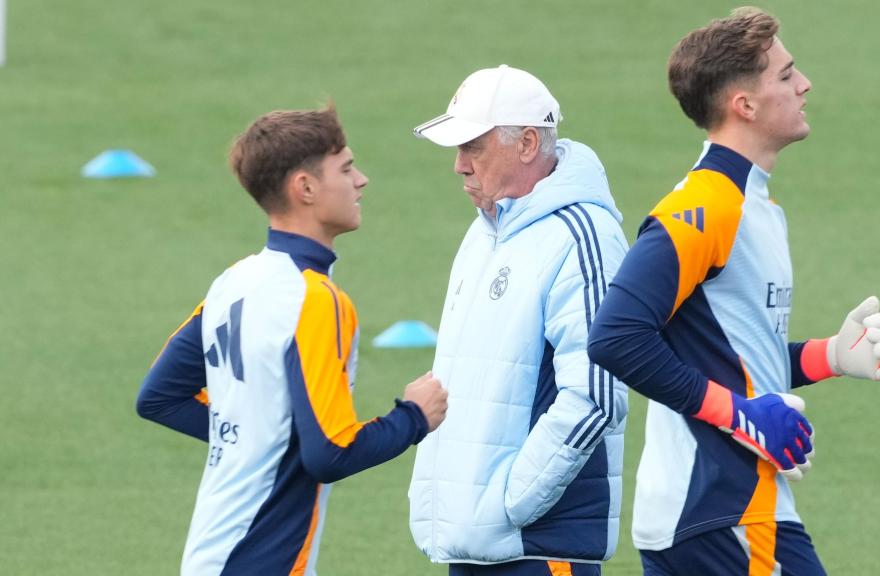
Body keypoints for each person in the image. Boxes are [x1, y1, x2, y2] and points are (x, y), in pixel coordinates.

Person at [587, 8, 880, 575]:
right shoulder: (705, 207)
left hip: (722, 513)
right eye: (785, 75)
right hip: (722, 513)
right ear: (744, 106)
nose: (804, 85)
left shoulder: (756, 206)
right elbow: (615, 336)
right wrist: (740, 415)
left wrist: (829, 355)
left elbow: (728, 356)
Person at [136, 104, 448, 576]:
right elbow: (331, 452)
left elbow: (159, 398)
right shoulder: (318, 300)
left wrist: (256, 441)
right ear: (304, 188)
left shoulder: (234, 281)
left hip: (209, 556)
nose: (360, 180)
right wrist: (413, 418)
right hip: (263, 561)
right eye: (345, 169)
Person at [408, 65, 630, 576]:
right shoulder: (486, 231)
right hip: (479, 545)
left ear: (528, 142)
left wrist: (512, 505)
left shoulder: (582, 235)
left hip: (538, 548)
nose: (459, 166)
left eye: (473, 147)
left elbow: (596, 395)